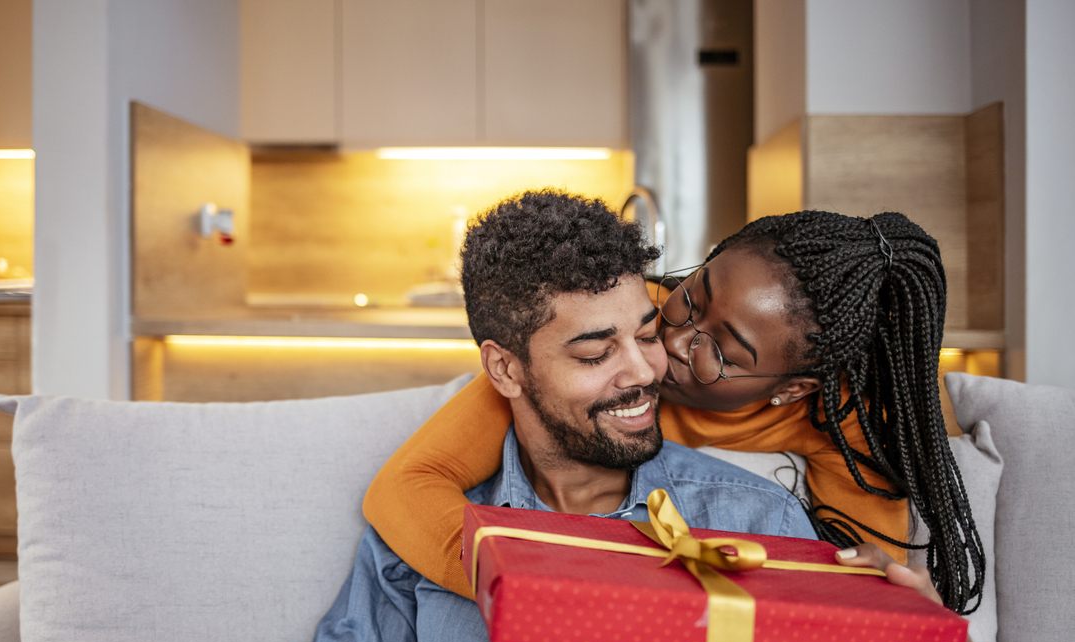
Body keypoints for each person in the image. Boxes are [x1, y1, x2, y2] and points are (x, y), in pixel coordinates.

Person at [264, 191, 982, 642]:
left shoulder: (763, 521)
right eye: (595, 351)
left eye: (644, 333)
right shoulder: (431, 523)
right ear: (506, 370)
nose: (652, 365)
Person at [363, 206, 986, 615]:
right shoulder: (625, 325)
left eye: (721, 352)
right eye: (693, 297)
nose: (669, 346)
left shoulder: (844, 420)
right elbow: (405, 489)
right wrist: (540, 592)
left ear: (792, 390)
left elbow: (851, 594)